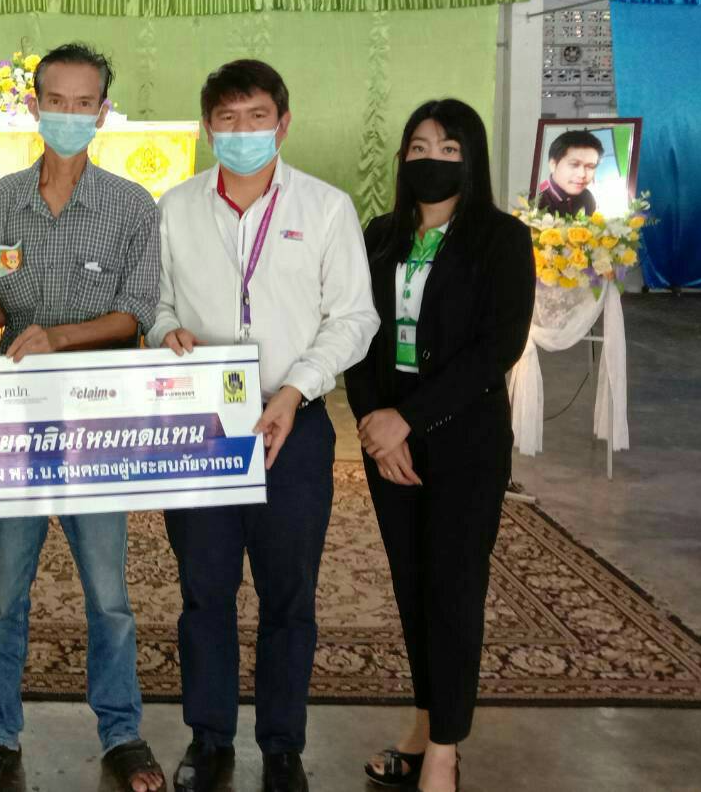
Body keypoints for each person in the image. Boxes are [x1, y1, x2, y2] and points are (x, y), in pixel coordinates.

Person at [149, 59, 379, 792]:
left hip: (294, 424)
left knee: (288, 595)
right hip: (201, 428)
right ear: (206, 127)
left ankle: (282, 744)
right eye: (226, 118)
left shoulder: (326, 208)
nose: (241, 131)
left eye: (256, 117)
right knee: (204, 590)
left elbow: (354, 317)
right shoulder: (174, 208)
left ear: (283, 124)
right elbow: (155, 303)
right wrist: (164, 333)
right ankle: (209, 736)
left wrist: (297, 388)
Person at [0, 43, 166, 792]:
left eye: (84, 103)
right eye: (56, 100)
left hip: (97, 424)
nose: (69, 114)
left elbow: (135, 313)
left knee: (109, 596)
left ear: (102, 112)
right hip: (17, 425)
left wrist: (59, 338)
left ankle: (121, 732)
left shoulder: (132, 207)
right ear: (33, 106)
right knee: (3, 592)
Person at [345, 99, 535, 792]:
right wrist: (374, 422)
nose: (432, 159)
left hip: (463, 441)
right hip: (388, 439)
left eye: (449, 149)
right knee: (412, 584)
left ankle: (446, 752)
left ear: (471, 159)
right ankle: (424, 725)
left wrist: (408, 418)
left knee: (453, 589)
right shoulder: (379, 234)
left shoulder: (500, 239)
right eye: (420, 147)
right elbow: (354, 329)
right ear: (402, 158)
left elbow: (497, 347)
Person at [535, 129, 603, 217]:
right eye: (574, 165)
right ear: (553, 165)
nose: (582, 174)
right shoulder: (536, 201)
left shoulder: (588, 197)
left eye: (590, 166)